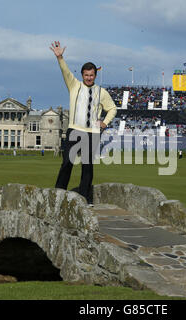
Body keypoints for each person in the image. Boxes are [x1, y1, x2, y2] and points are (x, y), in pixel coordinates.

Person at [50, 41, 117, 205]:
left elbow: (113, 108)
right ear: (82, 75)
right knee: (67, 163)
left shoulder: (102, 92)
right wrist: (60, 58)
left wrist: (105, 122)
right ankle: (58, 194)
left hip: (92, 132)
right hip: (74, 130)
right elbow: (65, 72)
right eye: (86, 75)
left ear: (95, 75)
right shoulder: (74, 85)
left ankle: (86, 200)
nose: (89, 78)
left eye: (91, 75)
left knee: (87, 167)